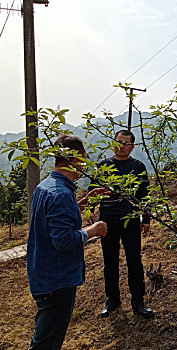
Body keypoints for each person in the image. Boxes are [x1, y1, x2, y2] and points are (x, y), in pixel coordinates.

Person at [27, 135, 108, 349]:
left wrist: (82, 202)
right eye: (84, 157)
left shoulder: (47, 186)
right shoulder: (61, 194)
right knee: (47, 343)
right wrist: (93, 230)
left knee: (44, 334)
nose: (85, 163)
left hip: (43, 274)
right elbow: (63, 241)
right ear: (75, 159)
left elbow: (52, 219)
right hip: (57, 280)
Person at [94, 129, 154, 319]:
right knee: (109, 262)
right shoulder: (103, 166)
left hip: (130, 221)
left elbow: (145, 195)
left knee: (134, 261)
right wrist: (91, 213)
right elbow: (92, 192)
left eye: (126, 144)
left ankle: (138, 302)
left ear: (132, 147)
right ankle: (112, 300)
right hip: (108, 222)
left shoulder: (138, 167)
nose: (121, 146)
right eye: (119, 142)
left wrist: (146, 219)